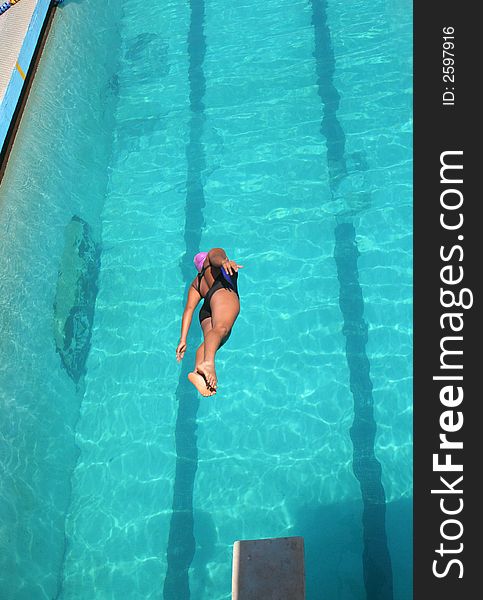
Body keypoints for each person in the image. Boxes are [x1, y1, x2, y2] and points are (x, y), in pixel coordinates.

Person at [176, 248, 243, 396]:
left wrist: (183, 339)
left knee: (211, 341)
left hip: (206, 310)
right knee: (221, 329)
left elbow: (188, 310)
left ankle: (198, 371)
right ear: (205, 261)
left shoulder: (196, 283)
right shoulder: (213, 263)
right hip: (221, 291)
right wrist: (224, 261)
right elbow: (215, 254)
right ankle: (208, 364)